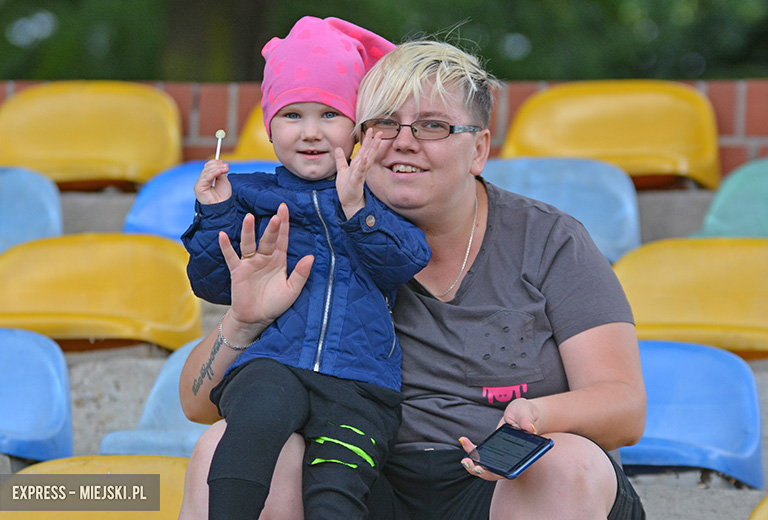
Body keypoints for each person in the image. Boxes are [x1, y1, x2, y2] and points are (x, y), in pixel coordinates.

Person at [179, 38, 647, 520]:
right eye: (385, 123)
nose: (404, 142)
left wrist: (539, 414)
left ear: (479, 149)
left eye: (433, 125)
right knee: (220, 446)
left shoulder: (548, 238)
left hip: (505, 485)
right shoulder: (313, 235)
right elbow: (196, 405)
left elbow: (625, 406)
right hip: (361, 479)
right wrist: (244, 321)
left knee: (567, 463)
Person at [179, 16, 431, 520]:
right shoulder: (247, 194)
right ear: (269, 128)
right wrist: (215, 214)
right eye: (292, 115)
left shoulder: (377, 194)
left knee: (338, 489)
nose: (311, 132)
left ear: (357, 128)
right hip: (274, 364)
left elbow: (406, 261)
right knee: (251, 427)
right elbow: (212, 283)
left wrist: (357, 209)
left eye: (330, 114)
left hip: (360, 383)